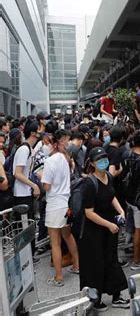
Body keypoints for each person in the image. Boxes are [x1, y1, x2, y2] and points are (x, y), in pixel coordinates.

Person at [79, 147, 129, 310]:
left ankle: (116, 295)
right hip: (94, 231)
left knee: (111, 259)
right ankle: (96, 299)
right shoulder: (89, 183)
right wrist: (109, 224)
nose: (103, 162)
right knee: (96, 263)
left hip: (110, 228)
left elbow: (111, 195)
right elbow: (89, 213)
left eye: (105, 158)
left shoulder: (108, 176)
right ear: (92, 163)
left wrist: (121, 211)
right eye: (99, 160)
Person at [42, 130, 80, 287]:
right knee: (68, 235)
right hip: (66, 203)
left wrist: (40, 179)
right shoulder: (66, 159)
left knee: (55, 242)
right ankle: (77, 265)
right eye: (68, 140)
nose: (69, 143)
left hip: (54, 204)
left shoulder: (51, 161)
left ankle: (58, 277)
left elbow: (47, 186)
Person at [13, 120, 41, 256]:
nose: (41, 132)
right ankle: (25, 257)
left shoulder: (29, 148)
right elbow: (17, 173)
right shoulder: (24, 149)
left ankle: (29, 255)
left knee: (28, 225)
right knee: (24, 227)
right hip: (21, 194)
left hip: (25, 192)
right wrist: (34, 185)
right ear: (33, 133)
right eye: (39, 129)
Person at [123, 131, 140, 270]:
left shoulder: (128, 156)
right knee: (139, 229)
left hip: (129, 197)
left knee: (133, 226)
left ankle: (134, 252)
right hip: (139, 200)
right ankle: (136, 260)